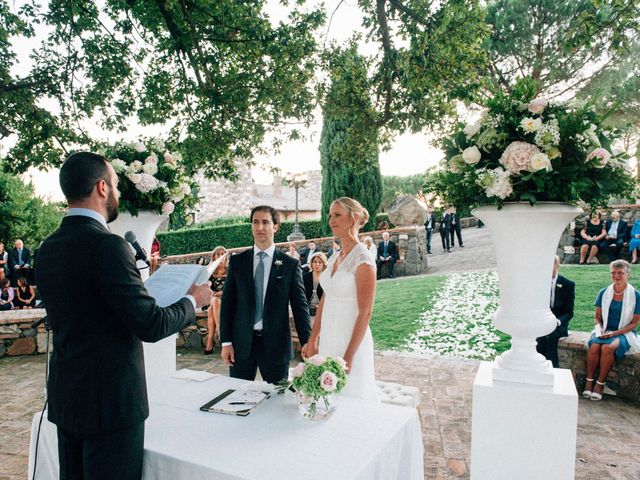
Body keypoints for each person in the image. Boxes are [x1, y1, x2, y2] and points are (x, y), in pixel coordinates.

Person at [35, 151, 212, 480]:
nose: (116, 192)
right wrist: (192, 300)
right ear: (102, 188)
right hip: (111, 406)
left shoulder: (48, 248)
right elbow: (151, 324)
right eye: (115, 185)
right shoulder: (109, 246)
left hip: (68, 398)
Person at [220, 205, 311, 384]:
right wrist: (226, 342)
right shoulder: (238, 262)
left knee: (277, 401)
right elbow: (227, 304)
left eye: (265, 222)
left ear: (275, 227)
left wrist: (306, 341)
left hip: (276, 346)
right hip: (241, 345)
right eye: (255, 222)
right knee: (238, 398)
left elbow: (300, 306)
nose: (260, 227)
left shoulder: (289, 265)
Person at [302, 197, 378, 401]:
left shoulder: (363, 260)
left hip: (351, 339)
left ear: (353, 218)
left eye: (337, 215)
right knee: (328, 397)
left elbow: (365, 312)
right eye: (330, 216)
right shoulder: (336, 256)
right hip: (329, 337)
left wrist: (349, 356)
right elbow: (326, 299)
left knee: (352, 397)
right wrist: (313, 338)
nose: (331, 220)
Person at [583, 260, 640, 401]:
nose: (616, 276)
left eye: (620, 273)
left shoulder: (636, 296)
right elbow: (597, 317)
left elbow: (633, 324)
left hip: (624, 333)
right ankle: (589, 381)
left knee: (608, 347)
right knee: (595, 345)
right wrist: (600, 329)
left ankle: (600, 384)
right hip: (604, 330)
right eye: (613, 273)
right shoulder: (604, 292)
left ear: (628, 274)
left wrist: (614, 333)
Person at [535, 256, 575, 368]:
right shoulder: (538, 283)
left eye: (551, 265)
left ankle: (552, 367)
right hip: (541, 320)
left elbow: (569, 312)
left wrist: (557, 321)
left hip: (558, 323)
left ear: (557, 265)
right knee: (538, 335)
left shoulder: (568, 284)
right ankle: (538, 367)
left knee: (550, 335)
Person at [205, 246, 228, 354]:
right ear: (213, 257)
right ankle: (220, 330)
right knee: (215, 301)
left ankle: (210, 340)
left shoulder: (230, 271)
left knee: (211, 309)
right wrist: (213, 293)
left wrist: (223, 293)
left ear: (225, 257)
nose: (220, 256)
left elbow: (234, 288)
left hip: (227, 300)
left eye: (222, 254)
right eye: (217, 254)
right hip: (213, 299)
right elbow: (206, 289)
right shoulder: (210, 272)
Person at [303, 252, 327, 325]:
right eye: (315, 262)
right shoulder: (305, 277)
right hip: (308, 309)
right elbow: (301, 294)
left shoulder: (327, 277)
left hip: (322, 309)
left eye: (320, 262)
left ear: (323, 264)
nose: (317, 264)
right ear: (311, 263)